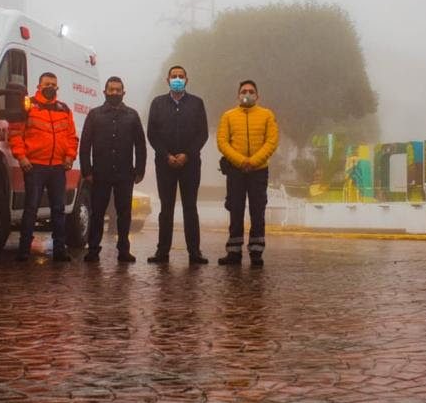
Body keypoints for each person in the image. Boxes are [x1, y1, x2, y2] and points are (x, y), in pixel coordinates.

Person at [9, 72, 78, 262]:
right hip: (35, 167)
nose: (50, 87)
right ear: (39, 86)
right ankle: (24, 250)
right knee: (31, 209)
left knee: (58, 210)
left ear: (57, 87)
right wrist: (21, 157)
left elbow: (72, 137)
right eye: (47, 84)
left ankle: (60, 251)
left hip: (58, 168)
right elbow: (15, 133)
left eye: (53, 85)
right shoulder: (28, 106)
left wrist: (70, 156)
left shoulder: (64, 109)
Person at [146, 65, 209, 265]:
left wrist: (187, 154)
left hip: (190, 165)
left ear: (187, 80)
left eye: (181, 76)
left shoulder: (197, 103)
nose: (177, 79)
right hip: (165, 164)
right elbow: (152, 134)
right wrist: (166, 155)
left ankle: (195, 252)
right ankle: (162, 252)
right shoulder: (157, 103)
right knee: (166, 208)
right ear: (167, 80)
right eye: (174, 76)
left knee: (190, 207)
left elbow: (203, 133)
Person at [79, 76, 147, 263]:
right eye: (111, 90)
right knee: (97, 213)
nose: (115, 93)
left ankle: (124, 250)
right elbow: (85, 145)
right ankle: (93, 249)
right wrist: (87, 171)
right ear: (105, 92)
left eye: (118, 90)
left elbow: (140, 145)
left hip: (125, 173)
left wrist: (139, 170)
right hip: (100, 173)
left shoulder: (132, 115)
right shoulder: (94, 115)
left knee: (124, 213)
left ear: (124, 92)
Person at [216, 79, 279, 267]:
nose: (247, 94)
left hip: (258, 171)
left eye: (251, 91)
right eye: (244, 91)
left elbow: (272, 141)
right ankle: (234, 252)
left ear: (257, 96)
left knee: (257, 211)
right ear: (238, 95)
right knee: (235, 210)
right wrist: (241, 161)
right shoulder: (228, 116)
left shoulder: (267, 115)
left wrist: (253, 161)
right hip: (235, 171)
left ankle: (256, 252)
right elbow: (222, 142)